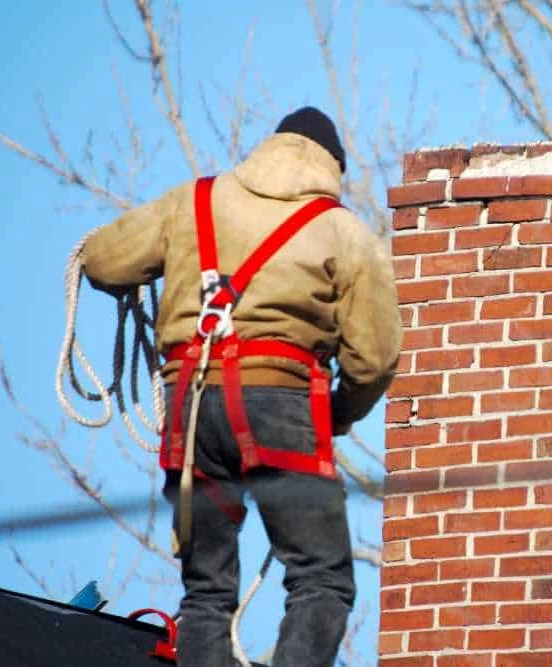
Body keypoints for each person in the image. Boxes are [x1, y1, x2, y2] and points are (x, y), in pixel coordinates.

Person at [80, 106, 402, 667]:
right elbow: (374, 359)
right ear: (332, 168)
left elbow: (103, 261)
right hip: (280, 404)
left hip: (190, 405)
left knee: (206, 590)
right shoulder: (341, 229)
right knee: (321, 578)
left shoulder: (193, 201)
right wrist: (339, 410)